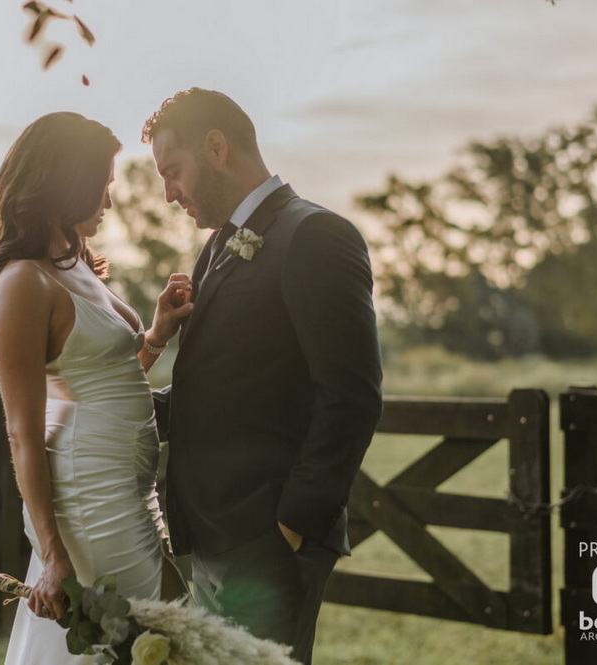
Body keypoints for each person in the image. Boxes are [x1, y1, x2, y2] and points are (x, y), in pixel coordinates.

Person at [143, 88, 384, 664]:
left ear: (217, 148)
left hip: (266, 541)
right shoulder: (217, 247)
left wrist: (291, 529)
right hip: (211, 535)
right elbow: (232, 387)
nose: (169, 193)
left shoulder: (316, 236)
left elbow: (350, 397)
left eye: (173, 172)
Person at [0, 111, 192, 664]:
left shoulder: (76, 267)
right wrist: (52, 555)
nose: (108, 203)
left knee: (159, 640)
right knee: (154, 641)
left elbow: (103, 383)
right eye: (102, 187)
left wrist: (156, 334)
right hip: (90, 504)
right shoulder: (23, 281)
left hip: (130, 493)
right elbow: (22, 432)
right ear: (65, 183)